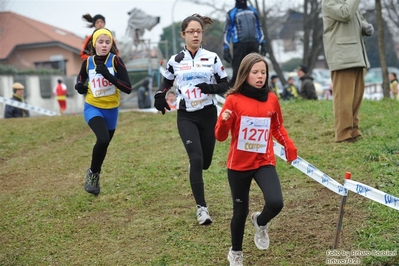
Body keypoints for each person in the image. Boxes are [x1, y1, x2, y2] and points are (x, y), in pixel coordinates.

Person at [214, 53, 297, 266]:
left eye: (263, 72)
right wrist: (224, 121)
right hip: (239, 165)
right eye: (255, 72)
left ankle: (260, 221)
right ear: (245, 74)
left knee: (276, 202)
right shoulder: (233, 100)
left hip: (263, 161)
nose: (260, 76)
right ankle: (236, 253)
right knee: (239, 212)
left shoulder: (271, 99)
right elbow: (220, 136)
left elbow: (277, 126)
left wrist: (288, 144)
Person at [153, 14, 229, 225]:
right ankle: (202, 209)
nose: (195, 35)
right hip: (186, 115)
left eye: (198, 31)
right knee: (195, 159)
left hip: (208, 114)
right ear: (183, 34)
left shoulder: (212, 58)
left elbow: (226, 85)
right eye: (191, 32)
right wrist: (159, 96)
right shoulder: (175, 61)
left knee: (205, 163)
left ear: (202, 34)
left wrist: (211, 88)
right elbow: (165, 84)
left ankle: (197, 165)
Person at [75, 28, 132, 195]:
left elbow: (128, 88)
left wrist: (109, 75)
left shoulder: (116, 61)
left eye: (108, 42)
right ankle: (93, 174)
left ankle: (95, 173)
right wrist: (79, 86)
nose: (104, 45)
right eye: (101, 42)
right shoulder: (88, 62)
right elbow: (80, 78)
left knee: (104, 144)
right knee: (102, 138)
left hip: (111, 110)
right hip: (93, 107)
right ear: (95, 44)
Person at [322, 0, 373, 143]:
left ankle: (354, 129)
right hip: (342, 56)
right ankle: (343, 134)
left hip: (355, 55)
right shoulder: (329, 2)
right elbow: (346, 14)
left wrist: (365, 27)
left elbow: (357, 19)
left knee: (356, 96)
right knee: (344, 99)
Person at [223, 0, 267, 87]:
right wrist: (226, 49)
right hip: (239, 44)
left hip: (254, 44)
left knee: (255, 68)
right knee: (238, 70)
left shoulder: (254, 11)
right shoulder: (232, 13)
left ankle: (258, 92)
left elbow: (259, 28)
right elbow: (227, 31)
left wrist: (263, 43)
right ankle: (233, 93)